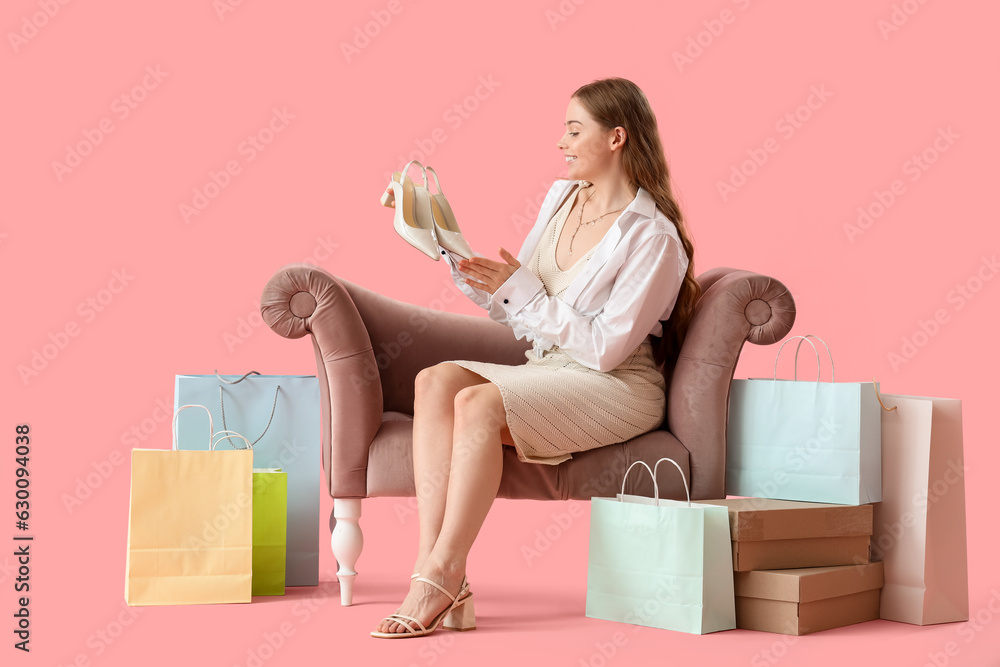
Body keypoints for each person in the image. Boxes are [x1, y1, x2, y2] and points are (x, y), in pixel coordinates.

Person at [371, 77, 701, 638]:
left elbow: (605, 348)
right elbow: (514, 301)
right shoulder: (561, 198)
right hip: (552, 371)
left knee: (475, 402)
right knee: (434, 381)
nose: (561, 143)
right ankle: (438, 569)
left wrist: (522, 291)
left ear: (617, 138)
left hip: (617, 384)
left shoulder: (653, 237)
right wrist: (444, 249)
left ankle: (441, 573)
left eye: (575, 130)